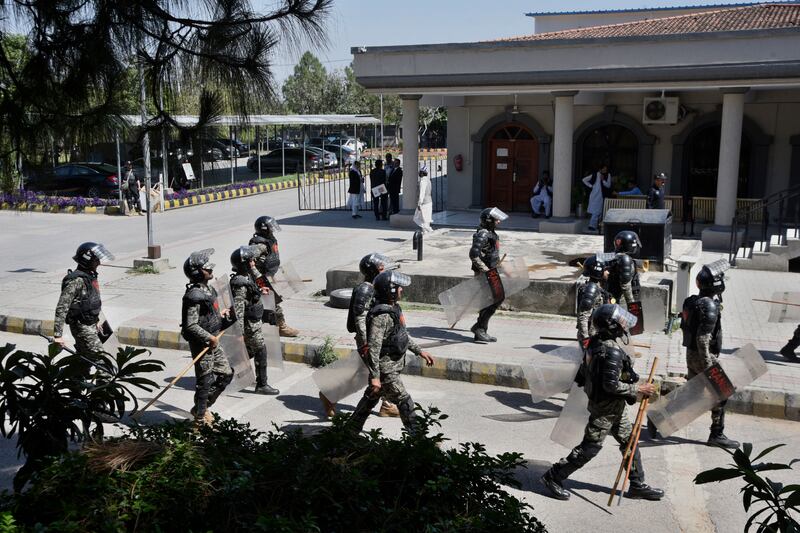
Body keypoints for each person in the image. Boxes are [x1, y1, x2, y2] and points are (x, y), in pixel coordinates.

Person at [541, 304, 664, 502]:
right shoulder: (610, 352)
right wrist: (638, 390)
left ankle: (637, 484)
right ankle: (552, 477)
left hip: (614, 406)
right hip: (605, 408)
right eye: (620, 321)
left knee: (629, 442)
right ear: (610, 325)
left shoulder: (594, 343)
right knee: (590, 447)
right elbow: (610, 386)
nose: (624, 324)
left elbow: (583, 373)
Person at [347, 270, 435, 434]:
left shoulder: (393, 308)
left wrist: (419, 351)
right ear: (390, 290)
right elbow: (373, 347)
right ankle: (419, 439)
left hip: (390, 366)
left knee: (370, 400)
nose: (402, 290)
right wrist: (375, 376)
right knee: (404, 401)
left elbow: (400, 335)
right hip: (385, 369)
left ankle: (348, 433)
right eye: (398, 287)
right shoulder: (382, 316)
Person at [320, 252, 401, 418]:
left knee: (371, 370)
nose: (384, 270)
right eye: (381, 268)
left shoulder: (378, 285)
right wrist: (366, 344)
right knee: (373, 371)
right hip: (368, 340)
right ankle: (329, 393)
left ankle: (387, 404)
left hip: (378, 337)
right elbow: (360, 319)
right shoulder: (366, 289)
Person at [679, 262, 739, 448]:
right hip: (704, 356)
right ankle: (716, 434)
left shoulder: (692, 301)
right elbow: (703, 339)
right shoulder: (710, 307)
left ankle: (657, 419)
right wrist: (708, 367)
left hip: (691, 353)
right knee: (722, 393)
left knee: (693, 393)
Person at [180, 249, 235, 426]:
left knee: (226, 374)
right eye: (205, 268)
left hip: (213, 340)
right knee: (205, 380)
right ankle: (200, 419)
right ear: (196, 272)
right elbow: (191, 325)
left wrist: (221, 316)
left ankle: (201, 406)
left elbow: (210, 313)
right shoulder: (194, 295)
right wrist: (209, 338)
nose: (210, 270)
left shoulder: (208, 289)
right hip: (202, 343)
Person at [230, 246, 279, 395]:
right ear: (244, 264)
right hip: (249, 324)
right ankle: (262, 384)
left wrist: (260, 290)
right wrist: (239, 333)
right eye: (250, 261)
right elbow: (238, 309)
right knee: (260, 350)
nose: (253, 263)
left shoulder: (247, 276)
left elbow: (260, 281)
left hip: (254, 321)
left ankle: (226, 371)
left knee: (250, 351)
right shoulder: (240, 283)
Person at [53, 242, 114, 357]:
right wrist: (58, 336)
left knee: (83, 362)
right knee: (102, 361)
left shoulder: (89, 277)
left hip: (90, 325)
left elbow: (89, 302)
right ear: (88, 261)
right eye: (96, 260)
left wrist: (96, 322)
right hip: (81, 327)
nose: (99, 263)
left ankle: (76, 374)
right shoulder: (76, 281)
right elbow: (62, 307)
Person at [249, 215, 299, 337]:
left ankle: (272, 325)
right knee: (273, 302)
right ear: (264, 229)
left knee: (269, 302)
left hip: (266, 277)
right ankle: (281, 327)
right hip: (259, 279)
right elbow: (249, 263)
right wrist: (259, 280)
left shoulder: (269, 240)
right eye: (270, 228)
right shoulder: (259, 245)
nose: (272, 230)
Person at [469, 207, 508, 343]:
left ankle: (480, 329)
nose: (498, 222)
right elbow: (474, 254)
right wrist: (485, 270)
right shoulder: (483, 234)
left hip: (492, 271)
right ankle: (480, 329)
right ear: (488, 220)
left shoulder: (492, 233)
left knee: (496, 298)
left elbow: (492, 254)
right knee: (490, 299)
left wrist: (502, 268)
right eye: (496, 220)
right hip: (485, 273)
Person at [576, 255, 611, 347]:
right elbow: (583, 317)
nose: (607, 272)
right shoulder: (591, 290)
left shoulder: (598, 288)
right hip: (592, 336)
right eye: (605, 270)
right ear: (598, 271)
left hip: (597, 333)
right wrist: (586, 339)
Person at [607, 230, 642, 308]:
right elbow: (625, 286)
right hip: (619, 299)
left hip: (613, 297)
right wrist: (633, 306)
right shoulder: (625, 260)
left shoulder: (615, 257)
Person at [582, 165, 612, 231]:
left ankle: (594, 225)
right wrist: (590, 186)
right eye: (604, 169)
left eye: (606, 169)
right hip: (594, 195)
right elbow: (584, 180)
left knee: (599, 211)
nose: (605, 170)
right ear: (600, 169)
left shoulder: (608, 175)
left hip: (603, 195)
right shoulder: (595, 174)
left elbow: (608, 185)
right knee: (596, 211)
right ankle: (593, 225)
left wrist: (603, 180)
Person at [414, 164, 433, 233]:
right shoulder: (429, 180)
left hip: (424, 203)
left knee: (420, 219)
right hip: (429, 202)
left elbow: (422, 193)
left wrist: (419, 203)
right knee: (426, 220)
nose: (419, 173)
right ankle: (425, 234)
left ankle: (430, 231)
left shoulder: (423, 181)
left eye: (420, 172)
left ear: (422, 173)